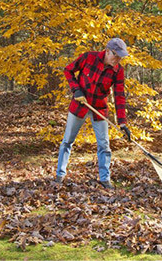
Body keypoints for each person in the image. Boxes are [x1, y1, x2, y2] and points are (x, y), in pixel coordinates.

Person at [55, 38, 131, 189]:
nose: (118, 60)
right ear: (107, 51)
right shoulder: (88, 57)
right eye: (116, 55)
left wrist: (122, 123)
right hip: (79, 105)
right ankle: (60, 174)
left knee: (104, 145)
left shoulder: (118, 70)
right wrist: (76, 89)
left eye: (120, 57)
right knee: (67, 141)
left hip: (99, 110)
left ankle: (105, 179)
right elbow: (68, 70)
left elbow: (120, 96)